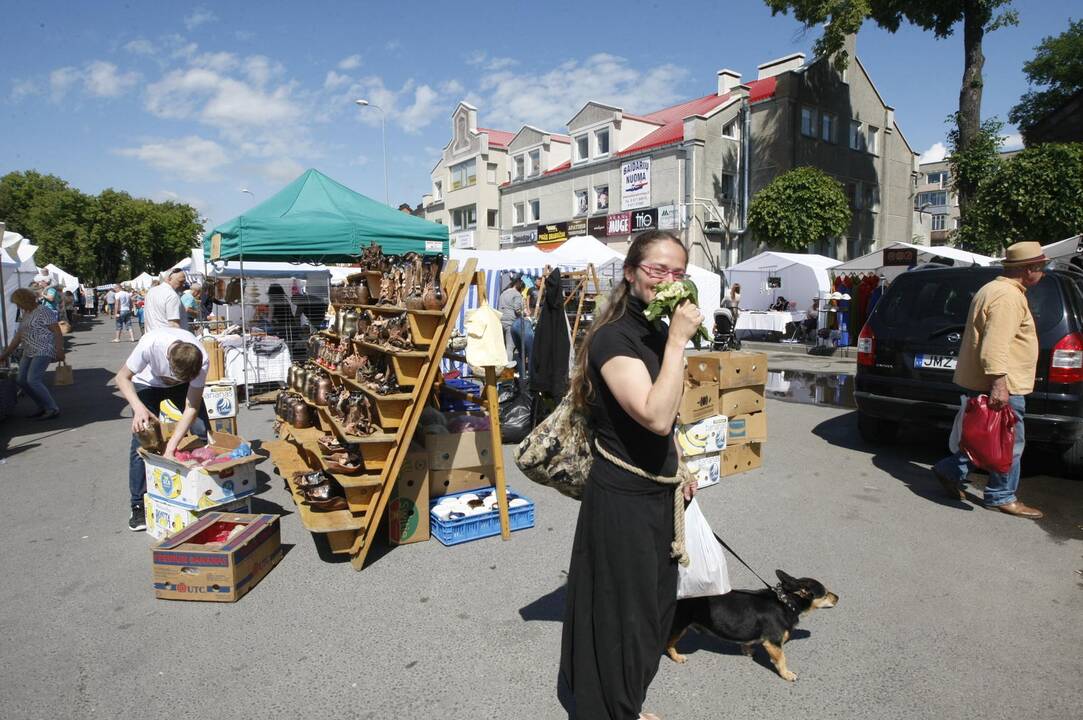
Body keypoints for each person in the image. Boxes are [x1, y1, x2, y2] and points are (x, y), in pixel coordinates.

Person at [559, 230, 702, 720]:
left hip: (657, 491)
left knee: (655, 609)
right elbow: (654, 414)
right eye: (657, 270)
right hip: (622, 496)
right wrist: (680, 342)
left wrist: (679, 463)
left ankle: (626, 700)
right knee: (626, 615)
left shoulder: (657, 330)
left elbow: (671, 424)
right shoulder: (614, 337)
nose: (669, 281)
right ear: (630, 273)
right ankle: (615, 709)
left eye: (678, 273)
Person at [931, 241, 1048, 519]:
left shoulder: (993, 288)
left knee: (984, 438)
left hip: (988, 381)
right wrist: (999, 383)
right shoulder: (1007, 296)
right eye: (1041, 267)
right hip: (1002, 383)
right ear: (1029, 269)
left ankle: (950, 470)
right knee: (1008, 442)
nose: (1043, 272)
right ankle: (1002, 495)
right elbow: (994, 345)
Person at [114, 326, 210, 531]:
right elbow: (122, 378)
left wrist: (171, 448)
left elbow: (191, 407)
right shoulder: (150, 345)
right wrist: (138, 408)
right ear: (168, 362)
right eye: (176, 377)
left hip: (180, 388)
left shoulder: (201, 359)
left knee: (202, 429)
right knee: (142, 441)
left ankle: (206, 491)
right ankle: (138, 504)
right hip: (146, 384)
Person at [0, 288, 65, 420]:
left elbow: (57, 330)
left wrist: (59, 349)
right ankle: (42, 406)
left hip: (43, 349)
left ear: (24, 300)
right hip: (28, 350)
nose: (17, 306)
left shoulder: (43, 310)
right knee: (21, 380)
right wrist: (6, 354)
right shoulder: (26, 313)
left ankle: (52, 408)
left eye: (18, 303)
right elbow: (19, 335)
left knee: (33, 380)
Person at [498, 276, 526, 365]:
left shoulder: (503, 293)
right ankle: (507, 371)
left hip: (500, 321)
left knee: (501, 347)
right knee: (510, 347)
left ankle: (500, 368)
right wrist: (524, 315)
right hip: (510, 322)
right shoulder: (517, 294)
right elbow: (517, 309)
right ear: (520, 287)